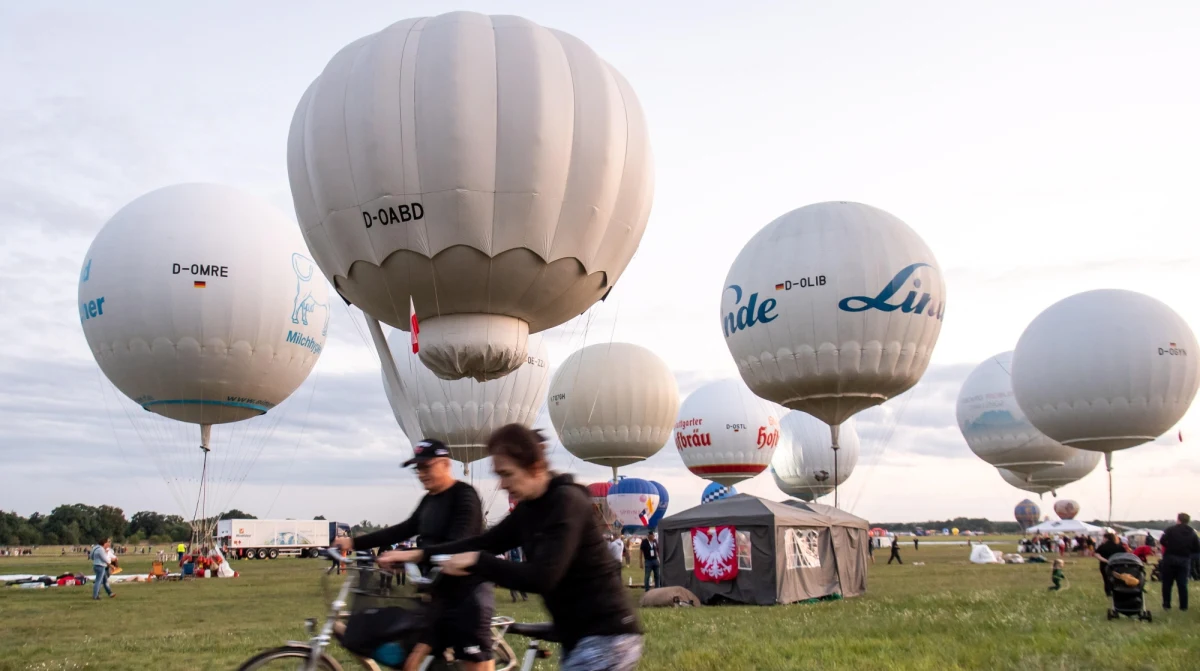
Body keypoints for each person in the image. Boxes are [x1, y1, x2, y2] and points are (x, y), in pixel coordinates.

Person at [382, 424, 643, 671]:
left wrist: (478, 561)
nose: (502, 485)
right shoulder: (530, 508)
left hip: (608, 636)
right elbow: (483, 541)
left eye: (507, 474)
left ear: (535, 467)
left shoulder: (567, 501)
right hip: (577, 634)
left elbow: (543, 576)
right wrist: (417, 554)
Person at [334, 439, 492, 671]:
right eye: (417, 469)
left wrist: (409, 556)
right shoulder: (429, 501)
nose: (421, 474)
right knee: (407, 659)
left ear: (445, 464)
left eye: (426, 467)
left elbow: (457, 546)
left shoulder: (464, 496)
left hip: (467, 598)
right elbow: (402, 530)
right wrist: (353, 542)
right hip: (436, 597)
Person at [1159, 512, 1200, 611]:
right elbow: (1197, 547)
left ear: (1178, 519)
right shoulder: (1192, 532)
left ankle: (1166, 604)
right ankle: (1183, 606)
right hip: (1184, 559)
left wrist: (1169, 546)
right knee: (1182, 584)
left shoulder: (1170, 530)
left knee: (1167, 583)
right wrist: (1188, 551)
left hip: (1170, 558)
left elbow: (1162, 540)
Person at [1094, 531, 1126, 597]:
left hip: (1105, 565)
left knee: (1106, 579)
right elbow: (1124, 555)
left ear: (1106, 538)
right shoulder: (1119, 546)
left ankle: (1108, 593)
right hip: (1117, 565)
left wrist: (1106, 561)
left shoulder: (1102, 546)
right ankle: (1117, 591)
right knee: (1117, 578)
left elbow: (1097, 554)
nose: (1103, 539)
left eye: (1103, 538)